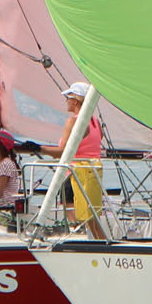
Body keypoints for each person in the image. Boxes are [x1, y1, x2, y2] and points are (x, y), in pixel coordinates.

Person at [42, 82, 109, 235]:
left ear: (76, 101)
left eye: (68, 97)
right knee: (92, 219)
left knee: (81, 218)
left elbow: (63, 151)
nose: (66, 100)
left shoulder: (73, 121)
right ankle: (100, 242)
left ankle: (80, 235)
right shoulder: (95, 122)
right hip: (92, 172)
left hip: (75, 173)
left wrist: (38, 149)